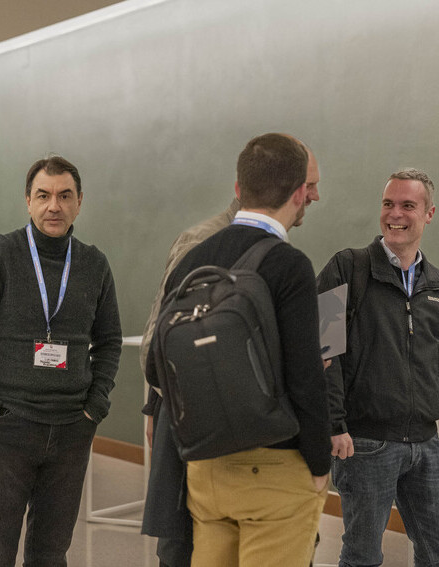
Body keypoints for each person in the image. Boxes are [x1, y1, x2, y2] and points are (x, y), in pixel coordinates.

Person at [145, 133, 331, 567]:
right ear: (298, 193)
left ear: (238, 188)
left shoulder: (193, 258)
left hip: (206, 472)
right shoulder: (289, 266)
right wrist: (319, 464)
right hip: (275, 471)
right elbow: (306, 378)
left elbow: (157, 366)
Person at [317, 168, 439, 567]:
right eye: (388, 204)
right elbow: (322, 351)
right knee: (362, 557)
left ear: (429, 214)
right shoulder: (346, 268)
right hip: (364, 444)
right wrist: (334, 423)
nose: (395, 214)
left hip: (426, 445)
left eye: (408, 205)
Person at [0, 156, 122, 566]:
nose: (54, 206)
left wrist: (94, 407)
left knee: (51, 553)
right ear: (28, 201)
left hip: (71, 429)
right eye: (44, 195)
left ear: (79, 202)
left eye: (65, 196)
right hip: (9, 426)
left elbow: (109, 341)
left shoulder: (94, 264)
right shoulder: (4, 254)